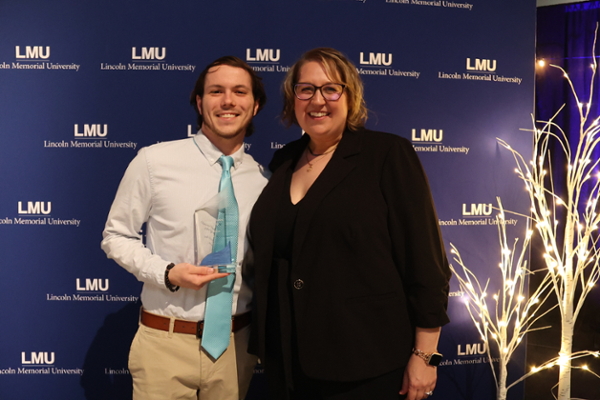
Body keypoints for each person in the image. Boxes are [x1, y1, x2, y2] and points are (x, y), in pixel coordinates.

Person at [247, 47, 451, 400]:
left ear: (350, 95)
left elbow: (425, 261)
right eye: (305, 89)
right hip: (289, 359)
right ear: (292, 99)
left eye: (331, 88)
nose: (318, 100)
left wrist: (424, 355)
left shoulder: (387, 154)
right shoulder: (283, 161)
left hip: (366, 361)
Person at [101, 55, 269, 400]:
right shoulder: (154, 161)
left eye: (240, 92)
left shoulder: (265, 180)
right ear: (199, 101)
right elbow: (116, 236)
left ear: (255, 106)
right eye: (215, 91)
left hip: (236, 348)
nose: (227, 101)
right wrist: (167, 272)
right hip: (164, 345)